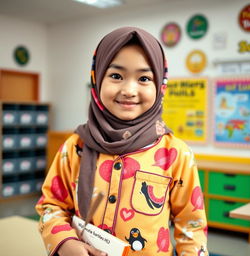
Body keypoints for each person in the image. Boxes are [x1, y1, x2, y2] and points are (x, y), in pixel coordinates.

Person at [35, 27, 208, 256]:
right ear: (96, 80)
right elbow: (51, 205)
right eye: (116, 76)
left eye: (144, 78)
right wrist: (64, 242)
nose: (129, 90)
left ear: (161, 87)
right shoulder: (75, 146)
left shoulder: (176, 154)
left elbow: (191, 227)